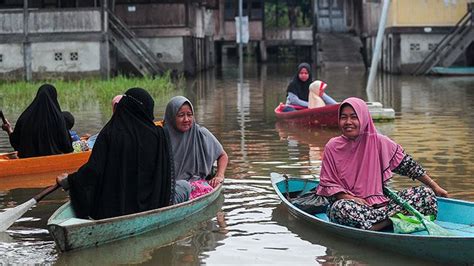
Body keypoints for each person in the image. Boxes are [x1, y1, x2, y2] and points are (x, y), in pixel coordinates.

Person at [316, 97, 448, 231]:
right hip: (352, 207)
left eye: (354, 117)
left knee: (426, 194)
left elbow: (409, 166)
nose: (348, 122)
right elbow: (329, 184)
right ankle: (390, 221)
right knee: (340, 209)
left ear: (364, 118)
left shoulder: (380, 142)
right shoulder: (332, 146)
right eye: (343, 117)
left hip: (381, 205)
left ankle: (377, 225)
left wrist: (435, 187)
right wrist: (351, 198)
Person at [56, 88, 173, 219]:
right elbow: (165, 173)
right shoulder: (159, 135)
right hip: (153, 204)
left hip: (113, 210)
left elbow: (93, 170)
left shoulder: (110, 133)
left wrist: (70, 181)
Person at [163, 96, 228, 202]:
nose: (186, 119)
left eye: (189, 115)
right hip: (171, 188)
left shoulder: (201, 134)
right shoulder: (161, 137)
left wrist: (219, 175)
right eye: (181, 115)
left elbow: (223, 155)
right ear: (171, 117)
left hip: (197, 184)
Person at [1, 84, 73, 158]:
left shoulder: (24, 117)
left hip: (27, 159)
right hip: (52, 161)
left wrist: (8, 129)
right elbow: (67, 148)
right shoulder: (59, 120)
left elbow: (16, 144)